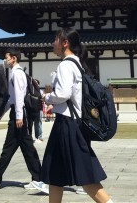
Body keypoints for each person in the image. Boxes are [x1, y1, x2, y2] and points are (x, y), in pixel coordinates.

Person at [41, 27, 113, 203]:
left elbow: (63, 94)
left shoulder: (66, 65)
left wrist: (47, 97)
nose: (53, 43)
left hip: (68, 125)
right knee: (55, 174)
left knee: (85, 176)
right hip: (71, 123)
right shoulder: (77, 64)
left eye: (55, 39)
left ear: (65, 43)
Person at [0, 49, 47, 193]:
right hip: (19, 113)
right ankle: (38, 178)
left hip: (20, 114)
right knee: (26, 147)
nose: (5, 60)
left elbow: (19, 97)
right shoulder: (14, 73)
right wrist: (1, 113)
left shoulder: (17, 74)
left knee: (10, 147)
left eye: (7, 57)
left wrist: (19, 116)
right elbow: (11, 98)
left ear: (14, 58)